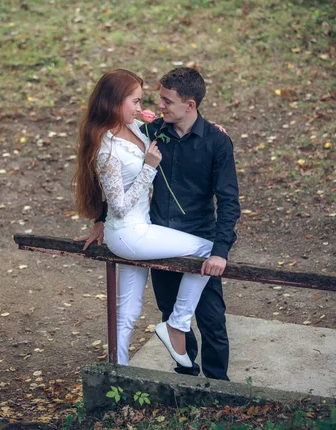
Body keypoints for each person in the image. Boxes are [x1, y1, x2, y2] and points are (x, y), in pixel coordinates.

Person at [77, 67, 240, 380]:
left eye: (167, 101)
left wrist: (220, 250)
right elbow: (117, 174)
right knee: (168, 312)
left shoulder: (216, 143)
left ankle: (221, 390)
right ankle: (185, 381)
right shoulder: (153, 133)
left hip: (196, 237)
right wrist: (101, 219)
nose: (158, 106)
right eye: (157, 100)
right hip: (153, 238)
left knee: (212, 321)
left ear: (190, 106)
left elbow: (230, 202)